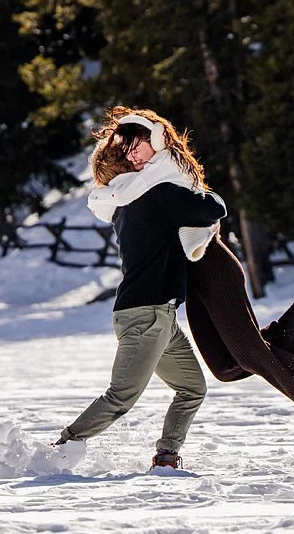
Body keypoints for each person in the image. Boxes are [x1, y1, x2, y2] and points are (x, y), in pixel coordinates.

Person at [63, 109, 294, 466]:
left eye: (134, 147)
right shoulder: (135, 193)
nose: (132, 157)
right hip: (187, 278)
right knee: (224, 366)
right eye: (123, 156)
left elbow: (212, 205)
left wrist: (196, 213)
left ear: (154, 137)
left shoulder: (160, 177)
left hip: (210, 263)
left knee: (251, 354)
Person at [55, 110, 227, 469]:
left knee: (192, 388)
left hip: (157, 315)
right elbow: (215, 208)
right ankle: (61, 449)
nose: (133, 154)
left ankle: (166, 458)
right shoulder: (158, 193)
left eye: (138, 146)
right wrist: (194, 194)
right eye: (128, 150)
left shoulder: (124, 203)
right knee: (121, 396)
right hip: (147, 314)